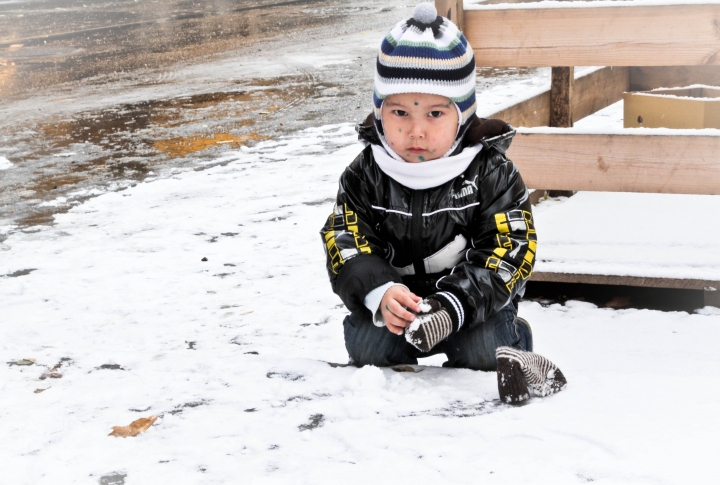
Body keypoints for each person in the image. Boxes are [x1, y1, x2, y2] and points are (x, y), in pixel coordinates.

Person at [319, 3, 566, 403]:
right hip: (399, 306)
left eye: (435, 113)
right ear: (380, 113)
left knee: (485, 352)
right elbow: (346, 238)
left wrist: (455, 304)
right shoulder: (366, 172)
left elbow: (511, 247)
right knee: (366, 349)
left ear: (462, 114)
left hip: (471, 306)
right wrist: (378, 293)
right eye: (399, 112)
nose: (416, 130)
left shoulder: (489, 172)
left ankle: (515, 343)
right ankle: (396, 326)